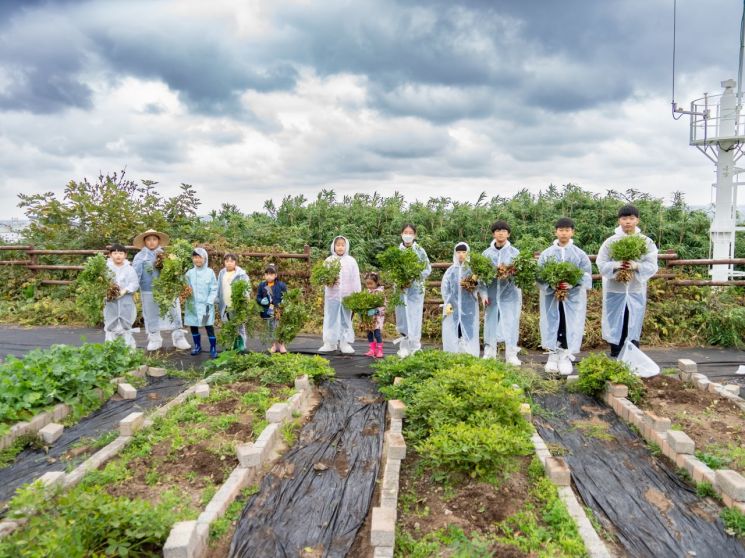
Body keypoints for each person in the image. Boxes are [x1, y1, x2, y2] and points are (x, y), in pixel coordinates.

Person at [596, 205, 659, 358]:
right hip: (614, 290)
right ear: (619, 220)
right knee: (616, 322)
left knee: (633, 321)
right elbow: (601, 263)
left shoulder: (646, 242)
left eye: (631, 218)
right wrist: (617, 265)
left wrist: (636, 265)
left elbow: (652, 265)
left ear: (637, 220)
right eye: (624, 219)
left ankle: (633, 356)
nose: (628, 222)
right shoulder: (610, 242)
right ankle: (616, 353)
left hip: (635, 290)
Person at [537, 218, 592, 375]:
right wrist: (551, 283)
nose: (564, 233)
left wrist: (573, 283)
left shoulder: (579, 254)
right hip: (551, 296)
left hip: (572, 298)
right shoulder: (547, 254)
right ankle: (553, 356)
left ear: (572, 232)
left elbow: (586, 274)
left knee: (569, 323)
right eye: (561, 230)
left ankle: (565, 355)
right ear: (556, 232)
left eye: (567, 230)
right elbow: (540, 275)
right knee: (553, 322)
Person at [132, 229, 191, 351]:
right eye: (148, 240)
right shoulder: (140, 257)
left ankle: (178, 338)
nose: (151, 242)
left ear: (158, 241)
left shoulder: (166, 254)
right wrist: (133, 290)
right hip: (148, 290)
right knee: (151, 313)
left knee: (173, 312)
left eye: (154, 239)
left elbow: (176, 272)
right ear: (144, 242)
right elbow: (135, 274)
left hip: (167, 290)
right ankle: (154, 339)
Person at [480, 220, 522, 366]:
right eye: (497, 230)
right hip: (491, 295)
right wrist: (484, 294)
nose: (500, 233)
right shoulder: (486, 254)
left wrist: (510, 273)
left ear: (508, 234)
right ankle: (490, 351)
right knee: (490, 322)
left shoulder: (515, 253)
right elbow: (480, 277)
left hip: (509, 295)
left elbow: (521, 275)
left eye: (503, 231)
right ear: (493, 234)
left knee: (510, 322)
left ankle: (511, 354)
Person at [318, 236, 361, 354]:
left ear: (346, 246)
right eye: (338, 245)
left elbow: (356, 279)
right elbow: (322, 278)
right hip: (332, 295)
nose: (340, 247)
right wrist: (328, 281)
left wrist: (357, 296)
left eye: (342, 245)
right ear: (334, 246)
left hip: (347, 296)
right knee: (330, 318)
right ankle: (330, 343)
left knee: (345, 319)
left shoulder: (351, 261)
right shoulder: (329, 261)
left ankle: (344, 343)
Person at [394, 224, 432, 358]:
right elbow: (392, 269)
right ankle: (404, 346)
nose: (408, 235)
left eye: (410, 233)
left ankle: (415, 346)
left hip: (415, 290)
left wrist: (414, 277)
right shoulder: (396, 251)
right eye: (405, 232)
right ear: (401, 234)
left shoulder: (420, 251)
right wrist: (401, 280)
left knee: (415, 316)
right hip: (401, 289)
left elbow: (427, 269)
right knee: (402, 316)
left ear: (415, 235)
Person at [441, 243, 480, 356]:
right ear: (455, 254)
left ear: (467, 253)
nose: (461, 255)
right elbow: (445, 288)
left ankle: (468, 352)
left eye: (463, 252)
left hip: (469, 305)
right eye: (458, 252)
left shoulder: (472, 270)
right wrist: (447, 302)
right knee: (455, 328)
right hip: (453, 306)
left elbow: (478, 286)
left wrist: (472, 284)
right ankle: (455, 352)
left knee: (469, 328)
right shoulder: (450, 270)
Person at [103, 243, 139, 349]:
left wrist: (125, 290)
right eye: (115, 253)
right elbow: (100, 284)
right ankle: (110, 349)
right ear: (110, 255)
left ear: (125, 255)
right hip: (110, 301)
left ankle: (129, 350)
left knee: (126, 323)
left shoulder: (129, 269)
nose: (118, 255)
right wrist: (108, 292)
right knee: (110, 323)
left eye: (120, 253)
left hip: (126, 300)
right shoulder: (105, 268)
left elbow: (134, 283)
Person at [184, 247, 219, 358]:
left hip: (206, 307)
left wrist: (209, 301)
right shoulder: (189, 273)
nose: (197, 260)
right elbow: (185, 288)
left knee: (208, 326)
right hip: (192, 306)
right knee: (193, 326)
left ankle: (213, 348)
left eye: (200, 257)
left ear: (205, 259)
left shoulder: (209, 272)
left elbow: (214, 288)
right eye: (195, 257)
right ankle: (197, 346)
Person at [216, 253, 251, 352]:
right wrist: (217, 299)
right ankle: (230, 344)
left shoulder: (241, 274)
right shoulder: (222, 273)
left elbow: (247, 288)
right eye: (227, 261)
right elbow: (218, 287)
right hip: (225, 304)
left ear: (235, 262)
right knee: (227, 325)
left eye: (232, 261)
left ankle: (242, 345)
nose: (229, 263)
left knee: (239, 324)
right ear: (224, 262)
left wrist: (244, 298)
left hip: (237, 304)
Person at [256, 264, 288, 353]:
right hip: (267, 310)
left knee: (279, 327)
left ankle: (281, 345)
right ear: (264, 275)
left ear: (276, 275)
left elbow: (287, 296)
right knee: (270, 328)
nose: (269, 276)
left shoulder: (281, 285)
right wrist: (261, 300)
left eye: (271, 274)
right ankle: (274, 345)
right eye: (267, 274)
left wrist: (284, 301)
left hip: (279, 310)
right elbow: (258, 297)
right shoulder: (262, 285)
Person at [363, 272, 386, 358]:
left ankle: (379, 350)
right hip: (368, 316)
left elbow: (382, 306)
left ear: (376, 282)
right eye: (367, 284)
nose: (369, 286)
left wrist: (373, 311)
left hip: (377, 316)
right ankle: (372, 350)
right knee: (369, 332)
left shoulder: (380, 293)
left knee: (377, 333)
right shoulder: (367, 292)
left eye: (371, 284)